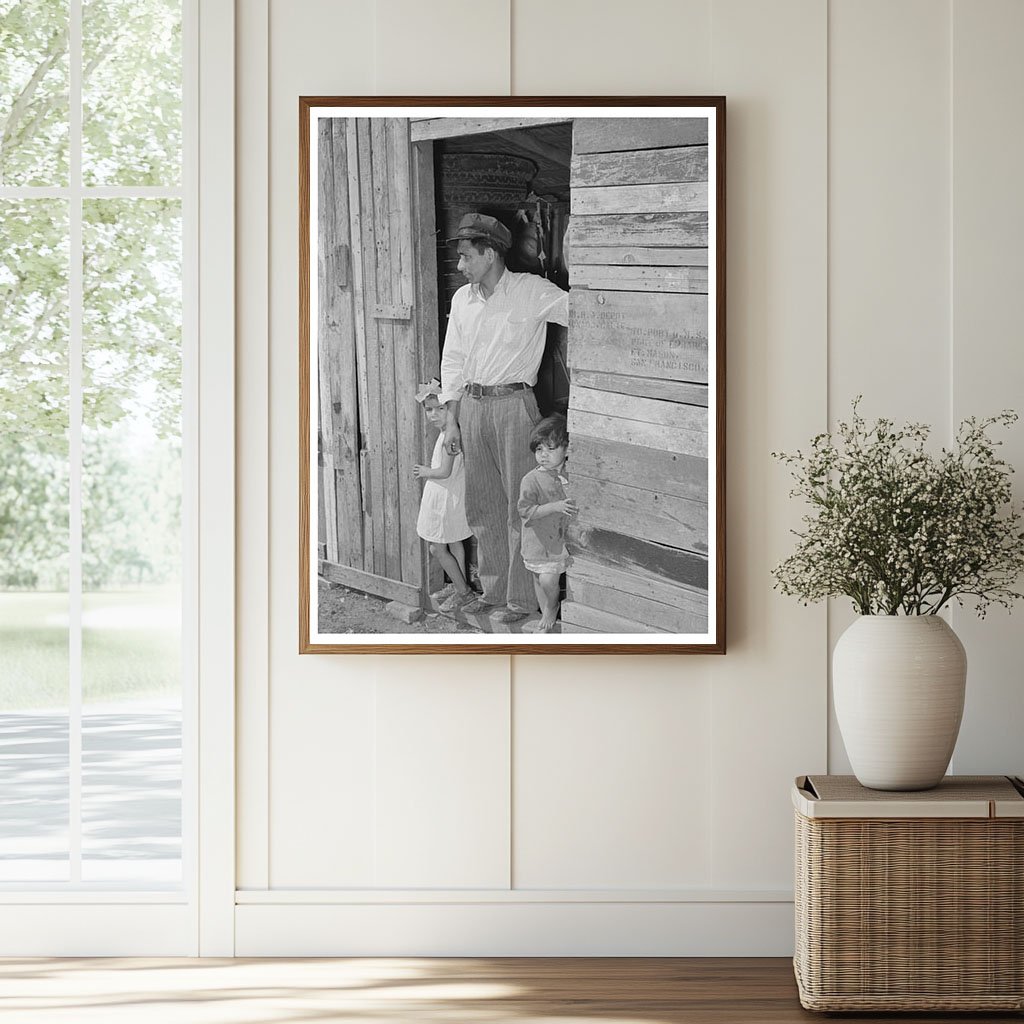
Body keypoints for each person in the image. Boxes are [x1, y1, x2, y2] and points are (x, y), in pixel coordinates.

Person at [439, 211, 569, 624]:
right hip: (472, 409)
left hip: (516, 406)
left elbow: (586, 313)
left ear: (490, 253)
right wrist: (451, 419)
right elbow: (453, 362)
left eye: (465, 256)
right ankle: (492, 591)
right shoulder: (463, 300)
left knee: (520, 505)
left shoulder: (532, 291)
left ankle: (519, 600)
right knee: (482, 506)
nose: (459, 266)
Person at [412, 380, 474, 613]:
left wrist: (425, 471)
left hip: (444, 497)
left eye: (440, 408)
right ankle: (460, 584)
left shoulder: (450, 436)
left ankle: (464, 592)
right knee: (455, 541)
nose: (434, 414)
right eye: (429, 410)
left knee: (436, 548)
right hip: (451, 494)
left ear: (451, 408)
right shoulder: (448, 432)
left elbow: (445, 471)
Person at [517, 415, 576, 633]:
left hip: (560, 541)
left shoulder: (572, 473)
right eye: (539, 449)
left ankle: (550, 609)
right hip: (538, 541)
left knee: (547, 578)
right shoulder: (531, 479)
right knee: (541, 578)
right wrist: (554, 507)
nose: (543, 455)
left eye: (550, 449)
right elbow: (525, 510)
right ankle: (549, 608)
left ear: (567, 450)